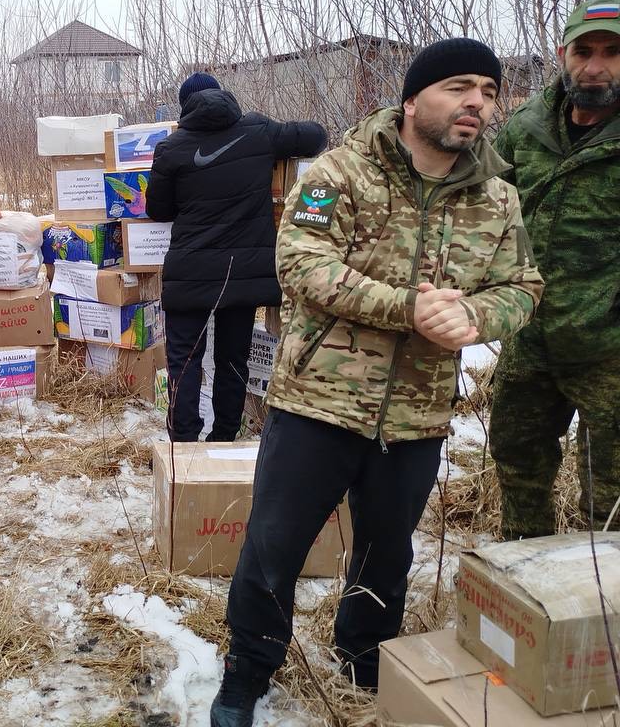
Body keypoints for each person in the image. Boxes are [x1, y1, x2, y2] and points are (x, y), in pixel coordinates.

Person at [209, 38, 543, 727]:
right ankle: (248, 672)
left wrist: (477, 316)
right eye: (458, 86)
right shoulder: (341, 174)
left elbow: (523, 286)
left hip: (417, 414)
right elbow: (300, 263)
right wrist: (407, 307)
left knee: (388, 553)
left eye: (487, 88)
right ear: (414, 99)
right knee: (275, 546)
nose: (476, 101)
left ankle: (366, 659)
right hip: (319, 404)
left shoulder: (497, 198)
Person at [490, 0, 620, 540]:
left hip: (608, 350)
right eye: (583, 51)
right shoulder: (526, 127)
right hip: (529, 337)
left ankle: (596, 611)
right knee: (517, 464)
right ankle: (521, 582)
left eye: (613, 52)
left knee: (611, 500)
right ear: (562, 53)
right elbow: (485, 206)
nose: (595, 66)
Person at [147, 71, 327, 442]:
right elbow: (316, 137)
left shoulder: (172, 147)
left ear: (184, 108)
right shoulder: (258, 131)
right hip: (240, 275)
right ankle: (224, 438)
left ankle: (183, 443)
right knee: (232, 361)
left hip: (189, 272)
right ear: (225, 97)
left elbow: (158, 210)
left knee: (184, 362)